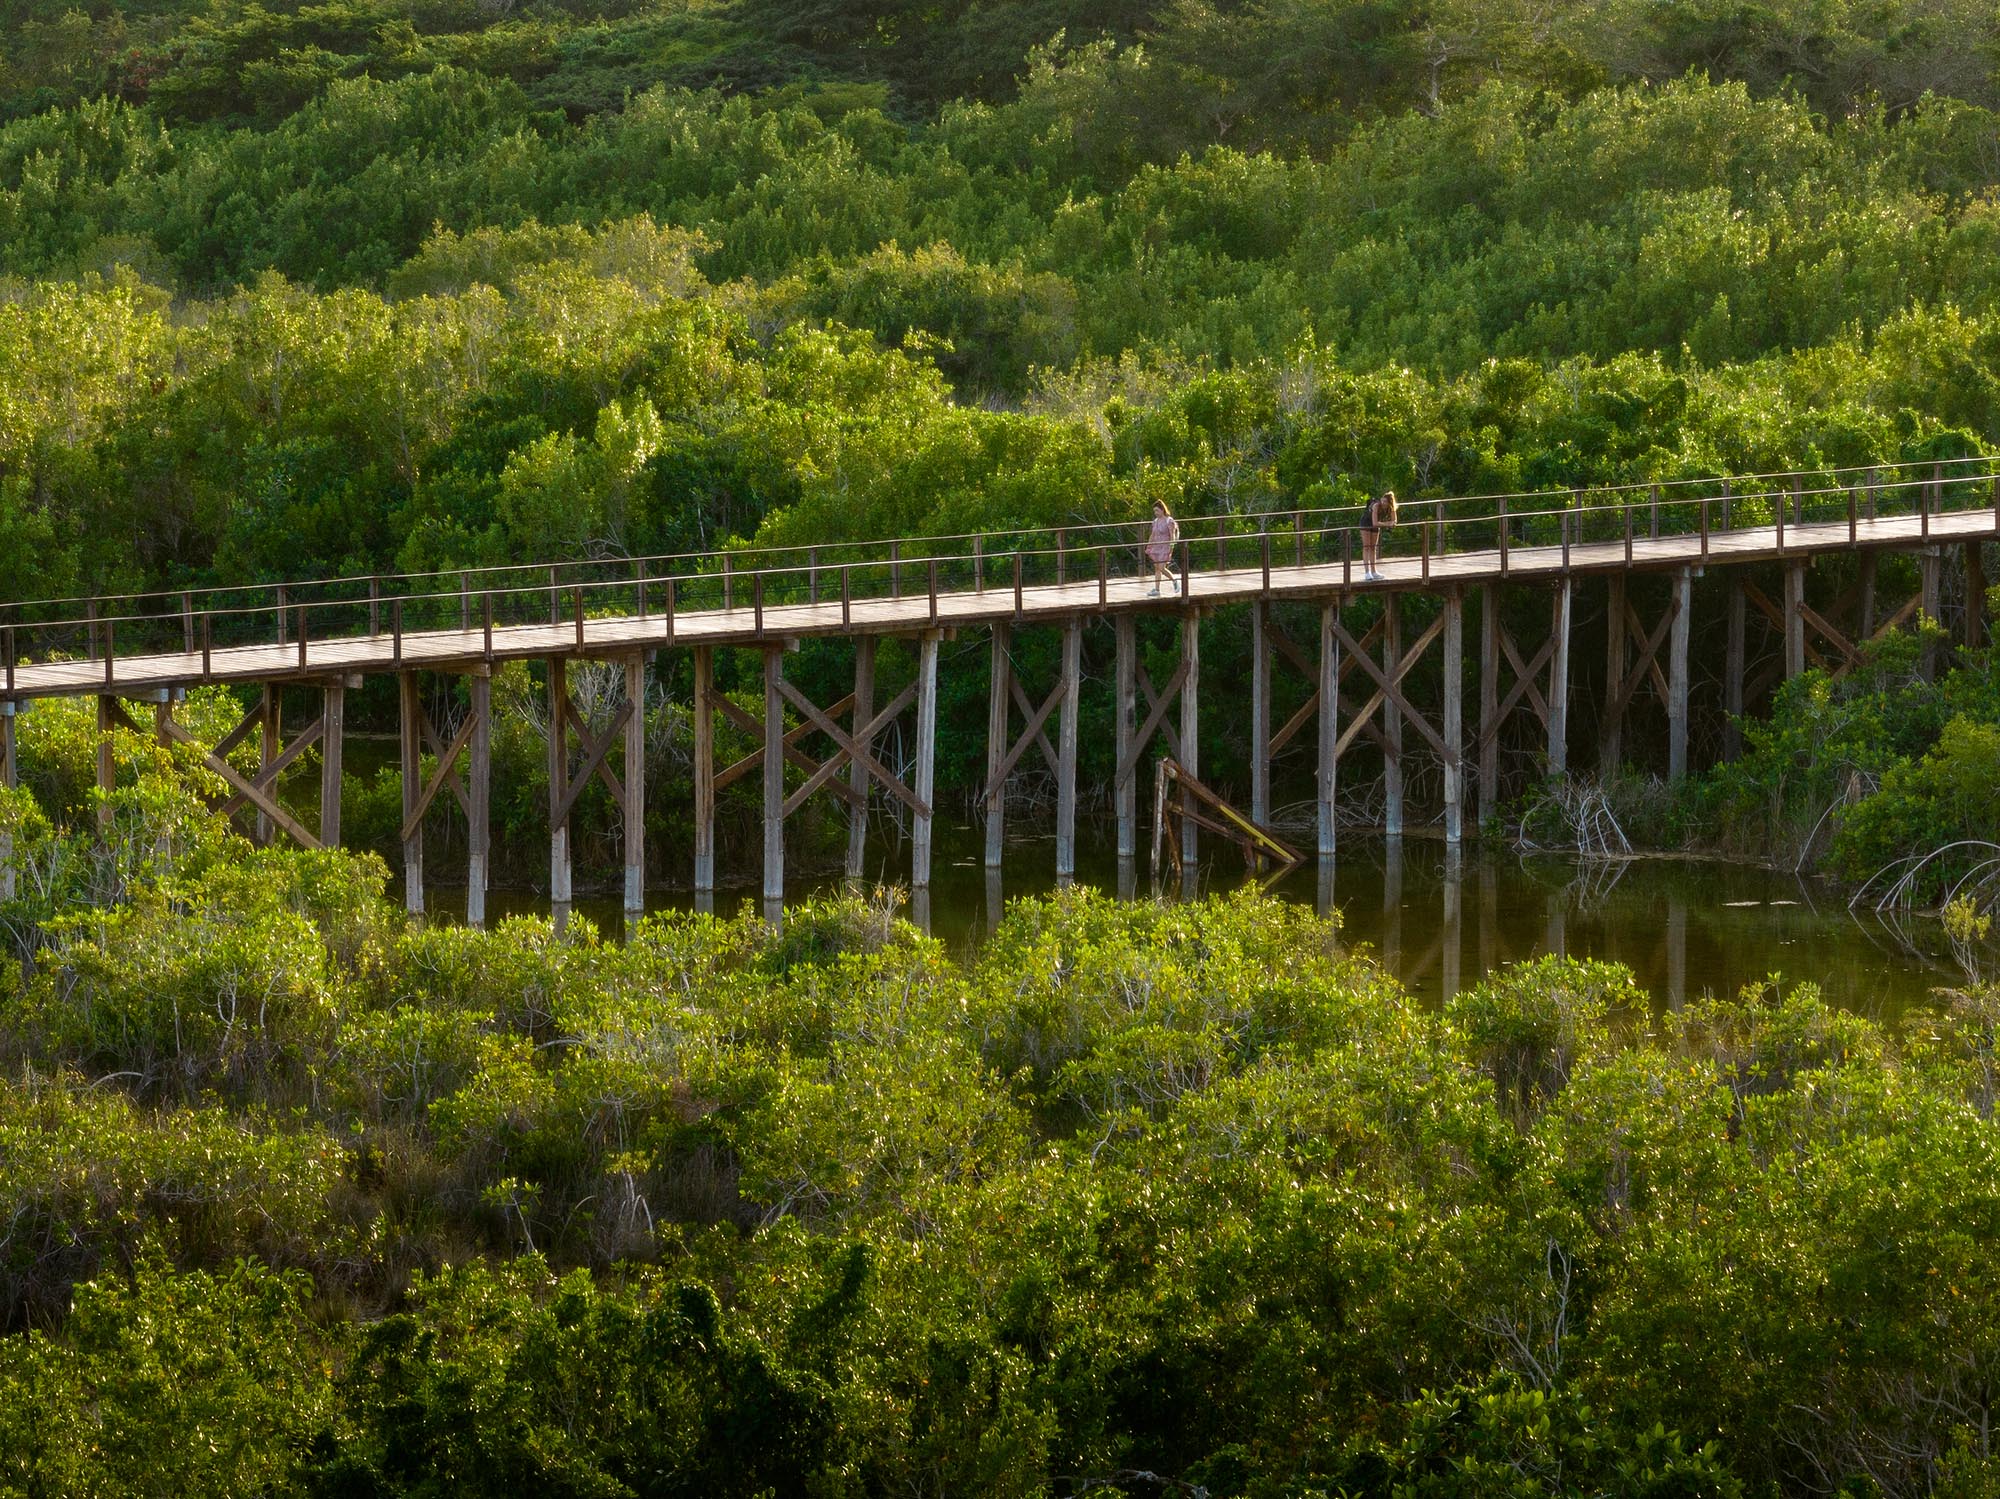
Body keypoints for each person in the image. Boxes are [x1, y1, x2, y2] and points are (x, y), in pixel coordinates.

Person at [1144, 499, 1181, 595]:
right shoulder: (1155, 521)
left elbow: (1172, 535)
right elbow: (1152, 535)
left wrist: (1171, 547)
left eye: (1157, 510)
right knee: (1157, 568)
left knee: (1161, 567)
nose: (1156, 513)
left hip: (1165, 547)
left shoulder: (1169, 521)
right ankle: (1157, 589)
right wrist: (1149, 546)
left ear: (1162, 510)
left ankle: (1174, 581)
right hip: (1156, 546)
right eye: (1154, 511)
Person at [1360, 489, 1397, 580]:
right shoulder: (1376, 505)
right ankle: (1367, 572)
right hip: (1366, 523)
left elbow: (1394, 520)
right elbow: (1375, 523)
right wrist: (1387, 524)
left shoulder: (1391, 507)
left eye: (1385, 501)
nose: (1383, 503)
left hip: (1377, 524)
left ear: (1389, 503)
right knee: (1366, 546)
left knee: (1373, 547)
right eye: (1382, 500)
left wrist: (1391, 523)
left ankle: (1374, 571)